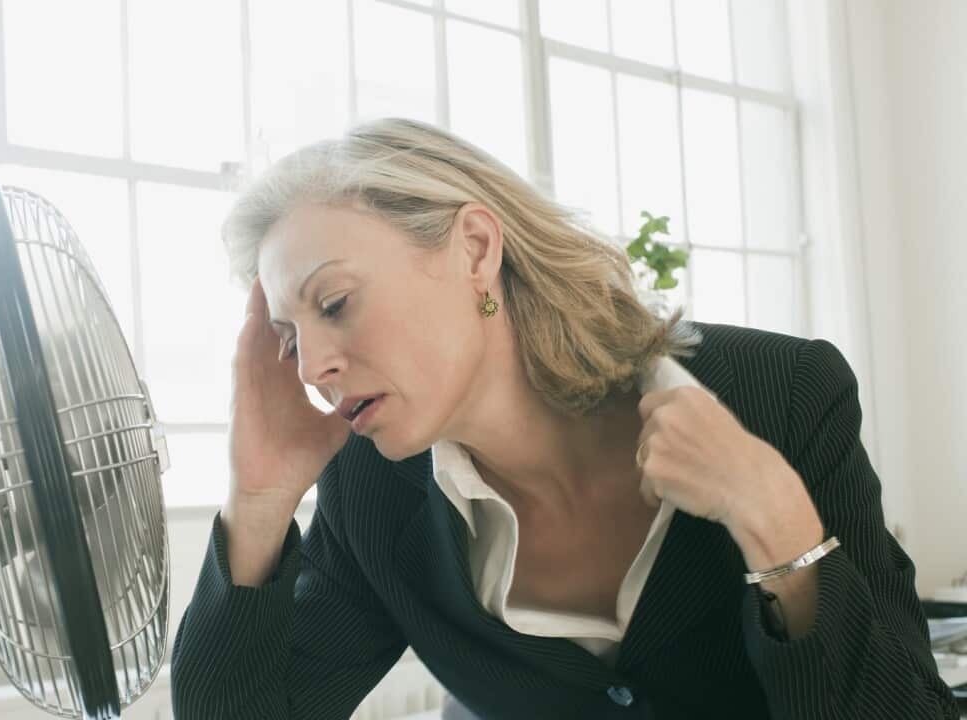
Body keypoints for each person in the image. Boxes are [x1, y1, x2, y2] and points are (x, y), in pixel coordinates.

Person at [169, 117, 956, 719]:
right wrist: (260, 501)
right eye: (288, 338)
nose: (310, 367)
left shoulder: (782, 392)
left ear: (476, 248)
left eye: (334, 304)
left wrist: (779, 525)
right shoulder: (371, 491)